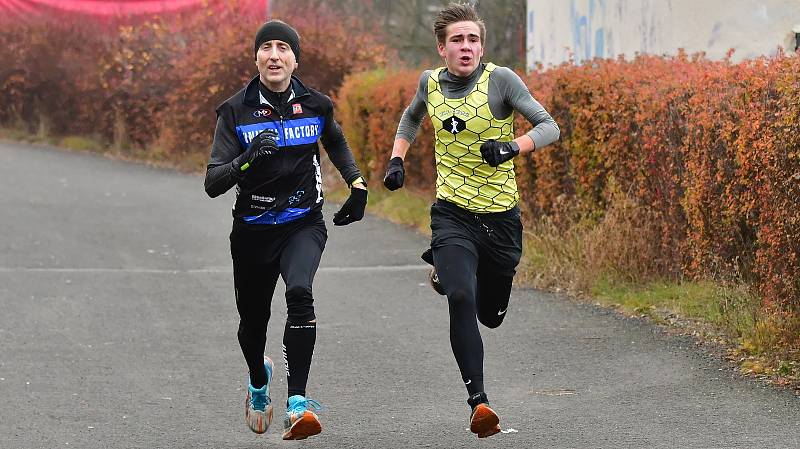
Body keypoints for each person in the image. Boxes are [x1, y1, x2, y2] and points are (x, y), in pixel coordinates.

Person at [382, 2, 560, 438]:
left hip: (500, 219)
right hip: (452, 212)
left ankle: (455, 276)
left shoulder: (501, 81)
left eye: (473, 39)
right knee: (460, 296)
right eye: (458, 40)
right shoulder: (429, 83)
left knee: (491, 314)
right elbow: (411, 117)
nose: (467, 47)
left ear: (482, 45)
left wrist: (512, 147)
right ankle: (479, 403)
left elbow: (549, 126)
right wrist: (396, 160)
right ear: (442, 48)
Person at [204, 19, 367, 440]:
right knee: (253, 324)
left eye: (283, 48)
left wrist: (357, 183)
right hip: (253, 230)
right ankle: (259, 380)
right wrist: (247, 158)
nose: (274, 55)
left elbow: (335, 140)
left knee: (299, 292)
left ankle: (297, 403)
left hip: (303, 222)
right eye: (266, 47)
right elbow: (212, 183)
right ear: (256, 57)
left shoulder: (315, 104)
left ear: (295, 59)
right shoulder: (234, 110)